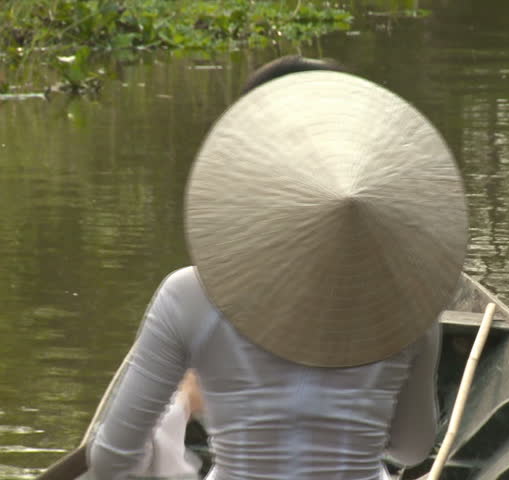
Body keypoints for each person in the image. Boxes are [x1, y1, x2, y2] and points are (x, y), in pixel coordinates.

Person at [86, 56, 469, 480]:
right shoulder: (409, 298)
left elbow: (110, 462)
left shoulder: (188, 293)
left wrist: (185, 403)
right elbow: (413, 449)